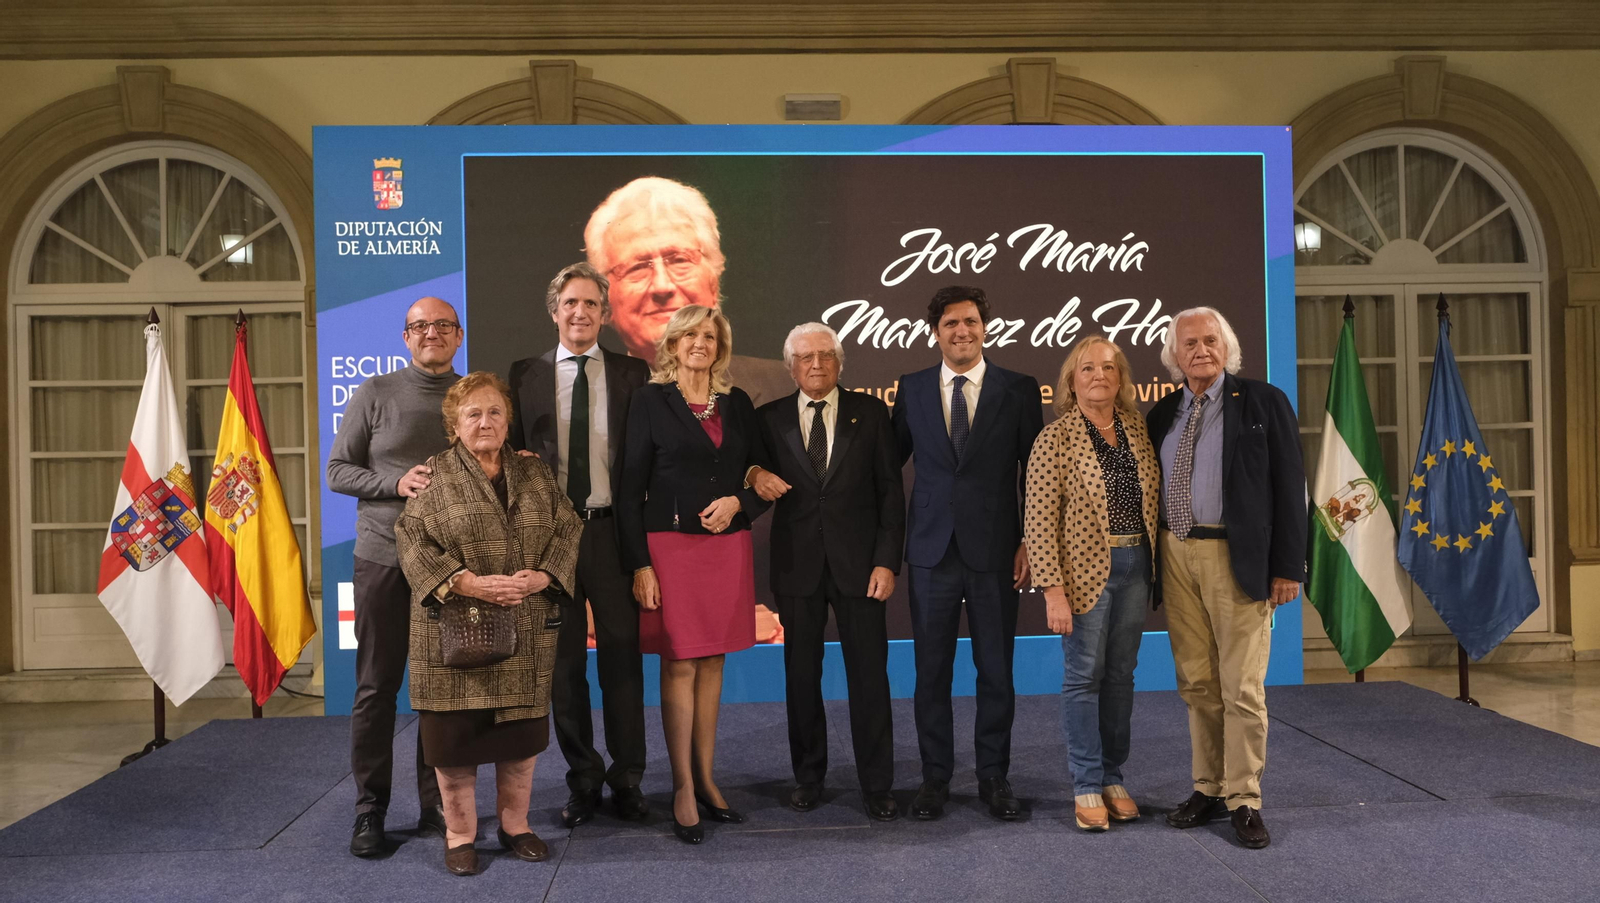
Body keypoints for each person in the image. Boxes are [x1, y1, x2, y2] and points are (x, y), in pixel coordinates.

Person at [394, 371, 583, 876]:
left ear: (507, 420)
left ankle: (515, 826)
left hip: (525, 628)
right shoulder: (432, 475)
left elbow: (568, 525)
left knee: (520, 744)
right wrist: (467, 583)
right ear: (454, 424)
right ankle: (459, 835)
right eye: (473, 413)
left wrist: (544, 576)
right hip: (454, 632)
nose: (485, 422)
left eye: (495, 412)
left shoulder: (534, 472)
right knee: (454, 747)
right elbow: (410, 538)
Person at [1145, 306, 1306, 850]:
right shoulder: (1162, 412)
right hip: (1175, 554)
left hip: (1237, 558)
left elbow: (1291, 487)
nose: (1201, 350)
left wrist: (1288, 567)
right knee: (1197, 682)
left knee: (1241, 685)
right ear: (1174, 354)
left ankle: (1244, 798)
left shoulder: (1263, 402)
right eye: (1189, 343)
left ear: (1227, 347)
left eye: (1210, 340)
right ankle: (1208, 787)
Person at [890, 285, 1043, 822]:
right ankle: (934, 777)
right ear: (935, 331)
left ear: (985, 327)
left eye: (971, 321)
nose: (962, 331)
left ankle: (993, 776)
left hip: (996, 551)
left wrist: (1030, 540)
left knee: (996, 670)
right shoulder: (911, 388)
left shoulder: (1018, 389)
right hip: (930, 551)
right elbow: (887, 465)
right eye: (951, 323)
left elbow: (1036, 474)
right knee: (930, 670)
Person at [507, 263, 651, 829]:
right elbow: (509, 460)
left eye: (591, 303)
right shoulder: (523, 376)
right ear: (554, 311)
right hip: (551, 541)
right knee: (563, 668)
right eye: (570, 302)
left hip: (612, 533)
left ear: (605, 314)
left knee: (622, 661)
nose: (580, 312)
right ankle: (585, 779)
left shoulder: (633, 374)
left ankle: (628, 778)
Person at [618, 305, 769, 845]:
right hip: (670, 548)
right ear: (673, 344)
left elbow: (759, 473)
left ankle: (706, 778)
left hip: (727, 548)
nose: (700, 343)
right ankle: (682, 785)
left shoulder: (737, 402)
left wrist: (740, 502)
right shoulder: (650, 400)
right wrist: (640, 564)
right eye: (690, 335)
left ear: (720, 346)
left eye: (710, 335)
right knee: (681, 662)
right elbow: (629, 488)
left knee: (713, 661)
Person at [747, 323, 904, 821]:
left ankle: (877, 784)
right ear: (790, 366)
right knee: (801, 677)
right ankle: (808, 777)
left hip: (861, 568)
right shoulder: (768, 418)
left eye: (825, 355)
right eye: (805, 357)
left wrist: (886, 560)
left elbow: (890, 493)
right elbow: (746, 470)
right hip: (798, 567)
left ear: (839, 362)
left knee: (869, 678)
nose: (816, 365)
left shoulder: (871, 413)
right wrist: (753, 473)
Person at [325, 296, 458, 857]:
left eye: (443, 325)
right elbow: (337, 470)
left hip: (451, 567)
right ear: (406, 337)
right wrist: (395, 484)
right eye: (420, 326)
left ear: (458, 336)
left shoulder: (470, 397)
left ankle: (437, 805)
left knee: (441, 689)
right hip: (382, 556)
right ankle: (370, 809)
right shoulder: (375, 392)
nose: (431, 333)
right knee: (377, 688)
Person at [1023, 336, 1161, 832]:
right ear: (1071, 381)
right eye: (1087, 368)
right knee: (1084, 675)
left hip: (1136, 567)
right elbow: (1039, 522)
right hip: (1082, 575)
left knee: (1121, 675)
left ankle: (1112, 775)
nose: (1099, 375)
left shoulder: (1137, 430)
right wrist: (1052, 591)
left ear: (1121, 378)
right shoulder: (1054, 439)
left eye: (1108, 367)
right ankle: (1085, 782)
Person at [583, 175, 792, 407]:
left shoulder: (786, 385)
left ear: (714, 279)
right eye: (638, 267)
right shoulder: (584, 398)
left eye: (680, 260)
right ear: (605, 300)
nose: (662, 286)